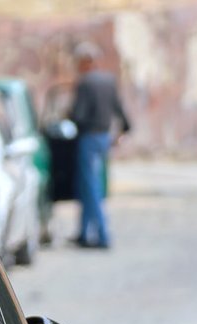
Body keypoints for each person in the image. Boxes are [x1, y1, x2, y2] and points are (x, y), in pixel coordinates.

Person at [69, 41, 130, 250]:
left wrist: (68, 116)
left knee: (91, 186)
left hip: (89, 138)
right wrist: (122, 132)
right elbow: (120, 111)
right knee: (88, 185)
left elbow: (78, 115)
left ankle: (103, 235)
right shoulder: (109, 81)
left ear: (85, 62)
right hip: (104, 137)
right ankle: (85, 233)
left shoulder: (85, 83)